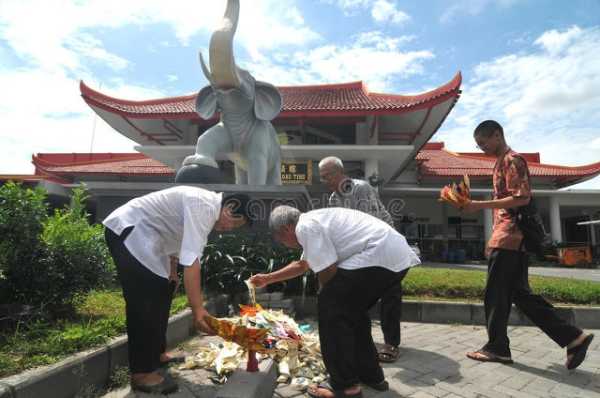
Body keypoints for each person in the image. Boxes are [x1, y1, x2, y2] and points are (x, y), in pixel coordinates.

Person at [459, 120, 593, 368]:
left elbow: (521, 199)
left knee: (495, 295)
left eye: (483, 143)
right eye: (478, 146)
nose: (482, 149)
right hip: (507, 237)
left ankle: (498, 348)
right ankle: (574, 337)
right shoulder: (502, 162)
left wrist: (478, 206)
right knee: (521, 296)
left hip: (511, 237)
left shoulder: (513, 160)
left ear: (497, 135)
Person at [250, 205, 420, 398]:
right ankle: (371, 375)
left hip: (378, 255)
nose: (284, 244)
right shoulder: (313, 223)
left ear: (286, 229)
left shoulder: (305, 227)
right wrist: (267, 278)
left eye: (281, 239)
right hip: (393, 257)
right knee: (352, 314)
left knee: (332, 310)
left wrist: (328, 299)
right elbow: (302, 265)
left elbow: (328, 271)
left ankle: (345, 385)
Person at [103, 186, 251, 394]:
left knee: (163, 291)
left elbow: (177, 241)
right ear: (229, 207)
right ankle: (142, 372)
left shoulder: (206, 213)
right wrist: (198, 310)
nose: (230, 228)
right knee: (144, 300)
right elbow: (192, 262)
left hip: (151, 240)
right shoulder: (204, 206)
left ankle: (157, 354)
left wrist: (172, 272)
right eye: (235, 222)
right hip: (129, 230)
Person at [318, 156, 403, 363]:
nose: (324, 181)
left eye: (326, 176)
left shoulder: (361, 188)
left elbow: (370, 224)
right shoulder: (333, 200)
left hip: (385, 243)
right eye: (322, 178)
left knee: (390, 293)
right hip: (360, 249)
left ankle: (392, 343)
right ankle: (359, 342)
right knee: (356, 296)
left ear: (339, 173)